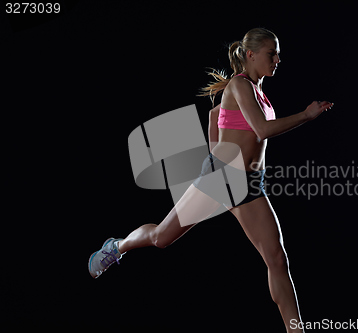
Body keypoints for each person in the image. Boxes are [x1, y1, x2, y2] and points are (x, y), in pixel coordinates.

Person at [88, 27, 333, 333]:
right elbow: (262, 131)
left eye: (279, 53)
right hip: (222, 178)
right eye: (273, 53)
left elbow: (215, 115)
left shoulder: (259, 93)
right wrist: (306, 116)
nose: (278, 59)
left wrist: (218, 148)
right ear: (251, 55)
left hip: (250, 184)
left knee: (277, 259)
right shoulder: (239, 85)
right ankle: (118, 246)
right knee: (161, 239)